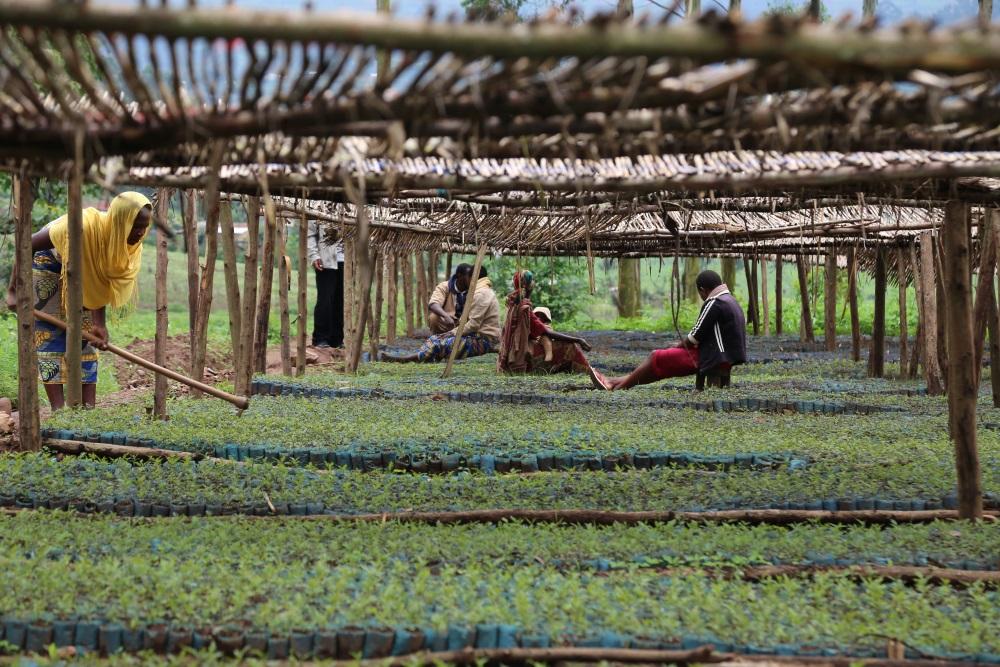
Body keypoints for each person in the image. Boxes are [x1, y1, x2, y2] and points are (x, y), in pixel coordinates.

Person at [5, 192, 152, 410]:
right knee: (49, 333)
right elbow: (26, 242)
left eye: (145, 226)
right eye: (136, 225)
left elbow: (97, 279)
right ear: (122, 220)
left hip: (80, 272)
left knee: (87, 336)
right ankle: (59, 410)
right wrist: (14, 289)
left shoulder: (128, 244)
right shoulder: (80, 227)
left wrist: (99, 324)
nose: (140, 232)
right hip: (48, 260)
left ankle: (88, 409)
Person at [594, 269, 746, 390]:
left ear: (702, 290)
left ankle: (619, 388)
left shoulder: (714, 302)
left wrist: (678, 346)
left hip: (713, 357)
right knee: (659, 364)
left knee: (657, 357)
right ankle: (613, 382)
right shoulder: (730, 300)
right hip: (725, 356)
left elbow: (695, 335)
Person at [498, 271, 603, 384]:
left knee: (550, 344)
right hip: (520, 358)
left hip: (509, 356)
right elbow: (547, 332)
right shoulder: (524, 308)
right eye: (532, 280)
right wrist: (578, 340)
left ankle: (564, 368)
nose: (534, 283)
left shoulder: (512, 304)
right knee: (569, 346)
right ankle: (588, 373)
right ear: (527, 285)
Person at [381, 266, 500, 363]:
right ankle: (425, 356)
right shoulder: (447, 287)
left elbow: (473, 324)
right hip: (462, 329)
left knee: (441, 343)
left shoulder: (481, 294)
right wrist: (446, 318)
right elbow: (433, 303)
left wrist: (451, 333)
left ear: (472, 277)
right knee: (434, 337)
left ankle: (410, 358)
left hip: (483, 339)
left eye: (469, 276)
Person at [307, 219, 345, 348]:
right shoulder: (319, 204)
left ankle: (337, 339)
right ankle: (320, 338)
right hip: (325, 260)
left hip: (346, 260)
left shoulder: (352, 206)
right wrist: (314, 255)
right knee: (325, 300)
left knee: (340, 301)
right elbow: (310, 234)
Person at [427, 263, 473, 334]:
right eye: (469, 276)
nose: (471, 279)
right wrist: (446, 316)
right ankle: (439, 338)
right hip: (448, 323)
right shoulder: (444, 286)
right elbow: (433, 304)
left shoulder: (474, 290)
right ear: (459, 275)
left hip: (465, 324)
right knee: (434, 318)